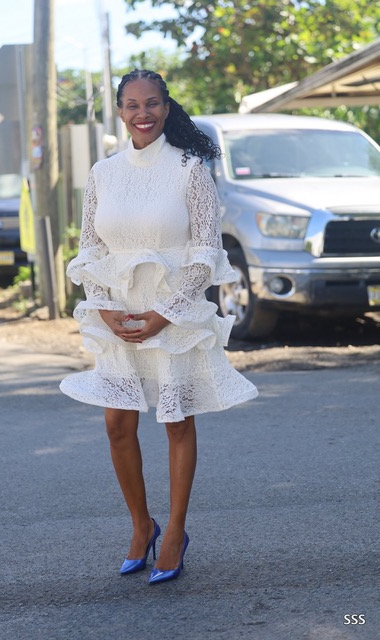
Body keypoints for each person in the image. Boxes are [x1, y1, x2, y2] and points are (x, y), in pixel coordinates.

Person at [60, 69, 258, 585]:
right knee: (117, 424)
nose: (142, 113)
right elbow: (90, 247)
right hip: (119, 314)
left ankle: (174, 531)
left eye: (151, 103)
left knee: (176, 422)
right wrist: (102, 305)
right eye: (132, 105)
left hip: (174, 312)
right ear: (120, 112)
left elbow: (206, 250)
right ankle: (140, 525)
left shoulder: (190, 169)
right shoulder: (103, 173)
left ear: (166, 108)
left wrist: (166, 311)